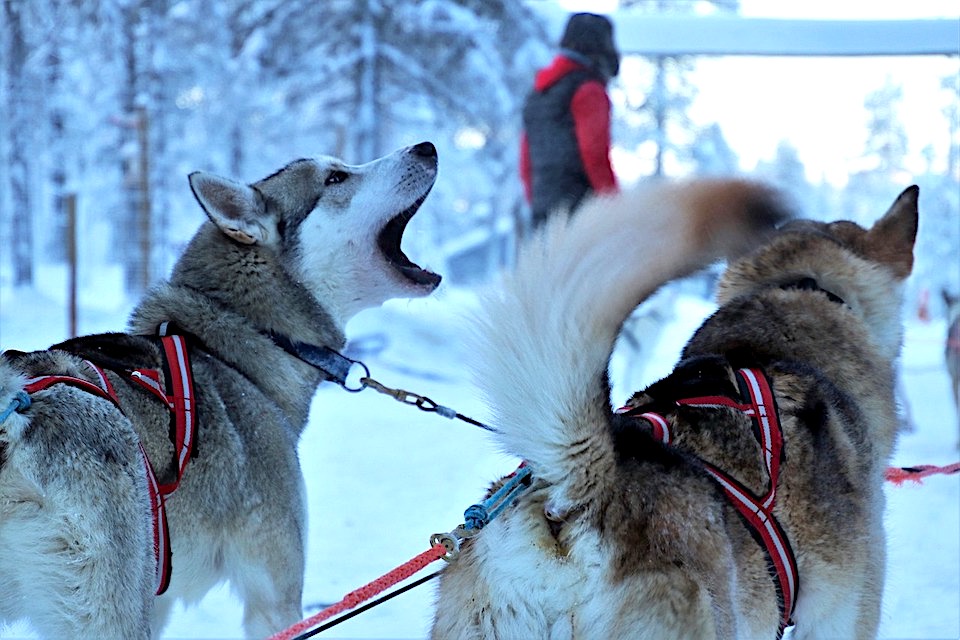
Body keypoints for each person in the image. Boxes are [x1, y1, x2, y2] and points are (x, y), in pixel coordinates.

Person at [520, 12, 621, 231]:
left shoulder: (539, 93)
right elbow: (594, 156)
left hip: (543, 216)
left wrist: (539, 205)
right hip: (582, 217)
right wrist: (615, 209)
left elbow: (526, 164)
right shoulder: (589, 90)